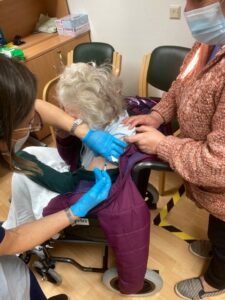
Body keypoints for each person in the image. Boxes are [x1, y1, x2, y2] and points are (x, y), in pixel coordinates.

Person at [0, 53, 129, 299]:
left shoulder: (112, 139)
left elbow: (72, 183)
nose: (35, 126)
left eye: (70, 114)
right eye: (28, 123)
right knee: (25, 164)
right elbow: (9, 242)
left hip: (76, 183)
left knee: (24, 166)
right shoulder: (110, 115)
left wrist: (78, 131)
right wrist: (67, 134)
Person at [123, 0, 225, 299]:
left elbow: (219, 164)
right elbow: (178, 86)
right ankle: (217, 248)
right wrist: (157, 115)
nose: (188, 9)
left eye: (198, 1)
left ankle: (216, 281)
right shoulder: (205, 44)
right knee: (216, 221)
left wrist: (163, 144)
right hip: (213, 186)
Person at [3, 62, 135, 227]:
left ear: (89, 114)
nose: (64, 116)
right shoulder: (100, 115)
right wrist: (64, 134)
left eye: (70, 114)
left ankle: (20, 227)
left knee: (22, 171)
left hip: (84, 191)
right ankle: (16, 224)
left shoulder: (117, 140)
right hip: (79, 171)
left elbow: (74, 186)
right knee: (27, 156)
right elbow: (72, 159)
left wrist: (24, 160)